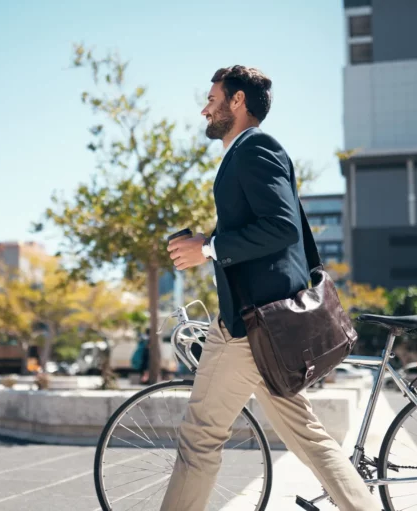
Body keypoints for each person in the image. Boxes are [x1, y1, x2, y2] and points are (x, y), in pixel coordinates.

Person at [163, 66, 380, 511]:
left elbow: (281, 227)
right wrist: (207, 244)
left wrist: (209, 247)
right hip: (262, 327)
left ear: (237, 101)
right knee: (310, 440)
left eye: (212, 98)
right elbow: (271, 231)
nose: (205, 108)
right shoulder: (246, 155)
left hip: (249, 328)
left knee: (200, 437)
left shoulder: (255, 148)